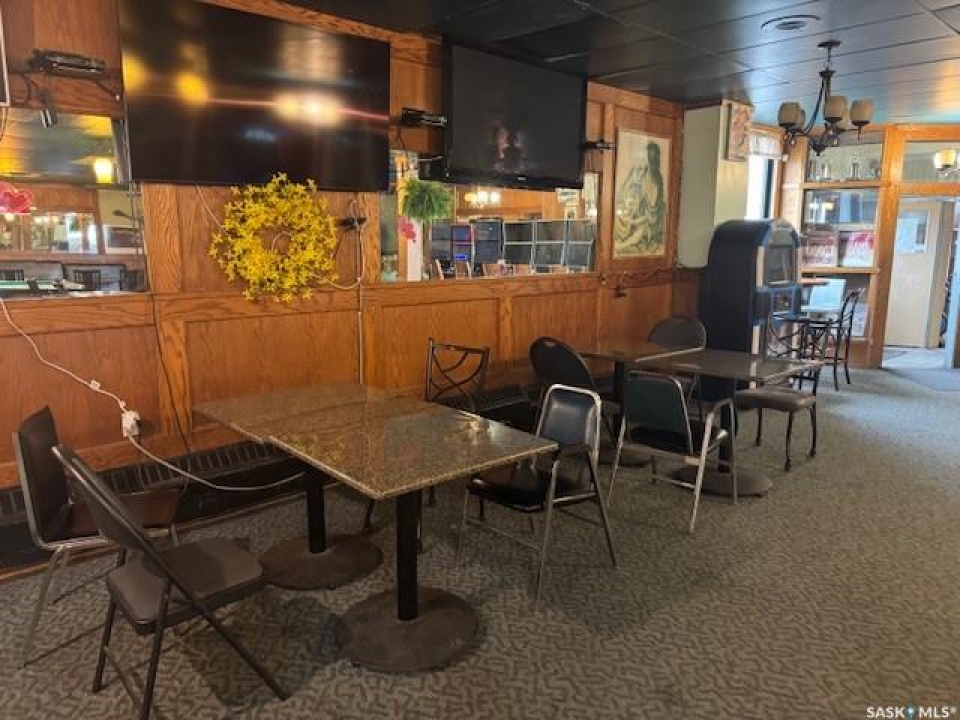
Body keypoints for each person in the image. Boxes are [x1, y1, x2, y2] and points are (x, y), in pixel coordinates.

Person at [615, 140, 665, 255]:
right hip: (635, 213)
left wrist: (640, 219)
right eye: (650, 158)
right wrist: (630, 209)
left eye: (655, 158)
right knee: (621, 220)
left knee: (643, 228)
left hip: (650, 221)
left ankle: (623, 245)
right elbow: (626, 191)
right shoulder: (638, 173)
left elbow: (654, 208)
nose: (652, 162)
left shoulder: (659, 179)